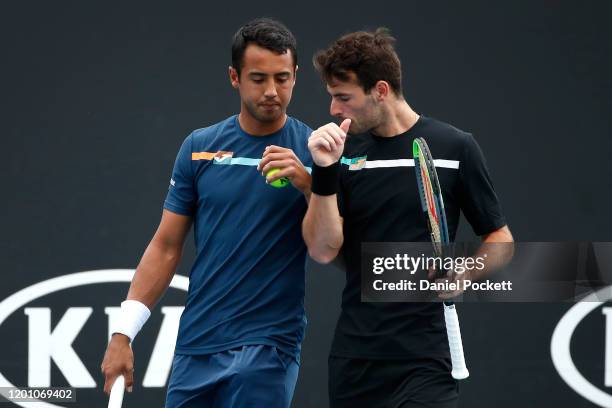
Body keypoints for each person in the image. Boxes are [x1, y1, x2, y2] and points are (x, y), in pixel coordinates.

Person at [101, 18, 312, 408]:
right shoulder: (199, 148)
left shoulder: (316, 152)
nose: (271, 91)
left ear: (296, 76)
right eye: (258, 78)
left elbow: (336, 241)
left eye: (282, 78)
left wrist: (311, 184)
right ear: (234, 77)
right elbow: (165, 247)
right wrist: (122, 334)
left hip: (268, 346)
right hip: (196, 346)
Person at [303, 29, 514, 408]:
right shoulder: (341, 154)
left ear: (380, 90)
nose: (334, 110)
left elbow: (500, 240)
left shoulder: (455, 147)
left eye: (343, 98)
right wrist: (323, 172)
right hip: (355, 360)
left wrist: (465, 273)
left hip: (426, 361)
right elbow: (322, 250)